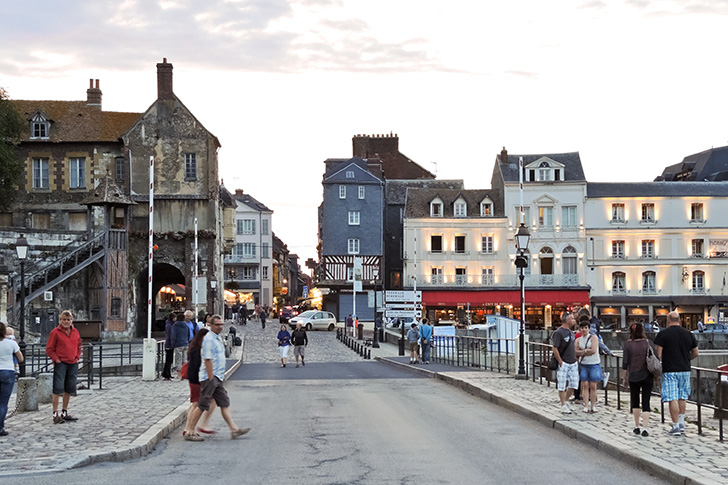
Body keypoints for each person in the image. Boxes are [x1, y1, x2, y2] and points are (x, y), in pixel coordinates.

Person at [186, 315, 250, 440]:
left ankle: (234, 429)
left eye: (221, 324)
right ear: (211, 325)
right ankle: (189, 431)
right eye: (217, 325)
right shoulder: (209, 339)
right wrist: (211, 379)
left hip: (218, 377)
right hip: (210, 377)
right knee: (202, 404)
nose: (220, 327)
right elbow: (208, 360)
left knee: (224, 402)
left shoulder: (217, 338)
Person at [655, 311, 699, 436]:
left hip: (670, 369)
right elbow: (696, 352)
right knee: (682, 397)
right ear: (679, 320)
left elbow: (658, 354)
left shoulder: (663, 334)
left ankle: (675, 427)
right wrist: (687, 359)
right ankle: (681, 423)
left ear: (668, 321)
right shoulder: (688, 334)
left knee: (672, 397)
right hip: (685, 369)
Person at [46, 310, 82, 424]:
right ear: (60, 320)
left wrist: (77, 357)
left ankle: (64, 411)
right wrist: (57, 360)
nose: (66, 322)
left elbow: (79, 345)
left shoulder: (75, 332)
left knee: (69, 388)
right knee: (57, 388)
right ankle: (55, 413)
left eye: (68, 319)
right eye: (63, 319)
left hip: (73, 362)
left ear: (72, 320)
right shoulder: (55, 332)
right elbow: (49, 349)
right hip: (61, 363)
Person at [621, 322, 654, 437]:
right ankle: (645, 428)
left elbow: (625, 363)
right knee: (646, 401)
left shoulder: (628, 345)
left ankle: (636, 426)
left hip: (634, 375)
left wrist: (624, 378)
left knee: (635, 401)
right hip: (647, 375)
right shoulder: (648, 343)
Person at [552, 312, 579, 414]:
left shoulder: (571, 332)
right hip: (564, 362)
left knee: (574, 383)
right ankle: (563, 404)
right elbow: (555, 348)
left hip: (573, 362)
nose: (574, 320)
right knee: (562, 384)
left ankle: (566, 400)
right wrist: (560, 361)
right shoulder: (559, 333)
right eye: (572, 319)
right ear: (567, 320)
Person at [0, 322, 24, 436]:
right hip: (7, 371)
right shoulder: (11, 343)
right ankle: (0, 427)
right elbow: (21, 358)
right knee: (3, 402)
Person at [575, 320, 601, 413]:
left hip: (594, 363)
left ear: (589, 329)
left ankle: (593, 405)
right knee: (584, 385)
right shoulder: (578, 340)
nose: (584, 330)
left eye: (586, 328)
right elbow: (575, 352)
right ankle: (586, 405)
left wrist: (583, 351)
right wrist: (586, 351)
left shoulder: (593, 338)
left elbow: (593, 350)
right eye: (582, 328)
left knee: (593, 386)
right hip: (584, 364)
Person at [162, 313, 175, 380]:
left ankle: (167, 373)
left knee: (170, 360)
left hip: (170, 344)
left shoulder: (170, 325)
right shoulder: (169, 325)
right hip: (169, 344)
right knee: (168, 360)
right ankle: (166, 373)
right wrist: (172, 343)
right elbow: (170, 335)